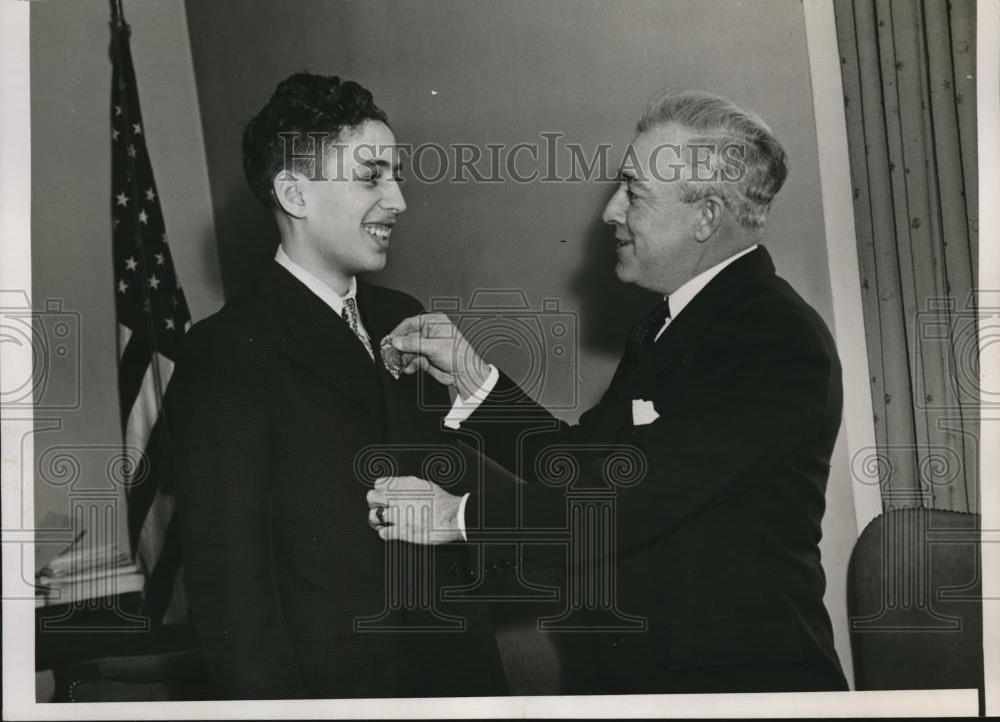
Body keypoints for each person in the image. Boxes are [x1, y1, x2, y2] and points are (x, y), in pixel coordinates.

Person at [370, 90, 849, 694]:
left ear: (705, 216)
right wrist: (471, 376)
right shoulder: (673, 323)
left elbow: (634, 498)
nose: (609, 212)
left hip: (737, 688)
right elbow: (586, 466)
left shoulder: (775, 337)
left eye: (633, 191)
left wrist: (456, 516)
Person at [168, 72, 506, 699]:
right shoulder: (224, 351)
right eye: (372, 176)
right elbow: (232, 594)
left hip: (460, 674)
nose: (399, 200)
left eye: (396, 175)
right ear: (294, 194)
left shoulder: (403, 314)